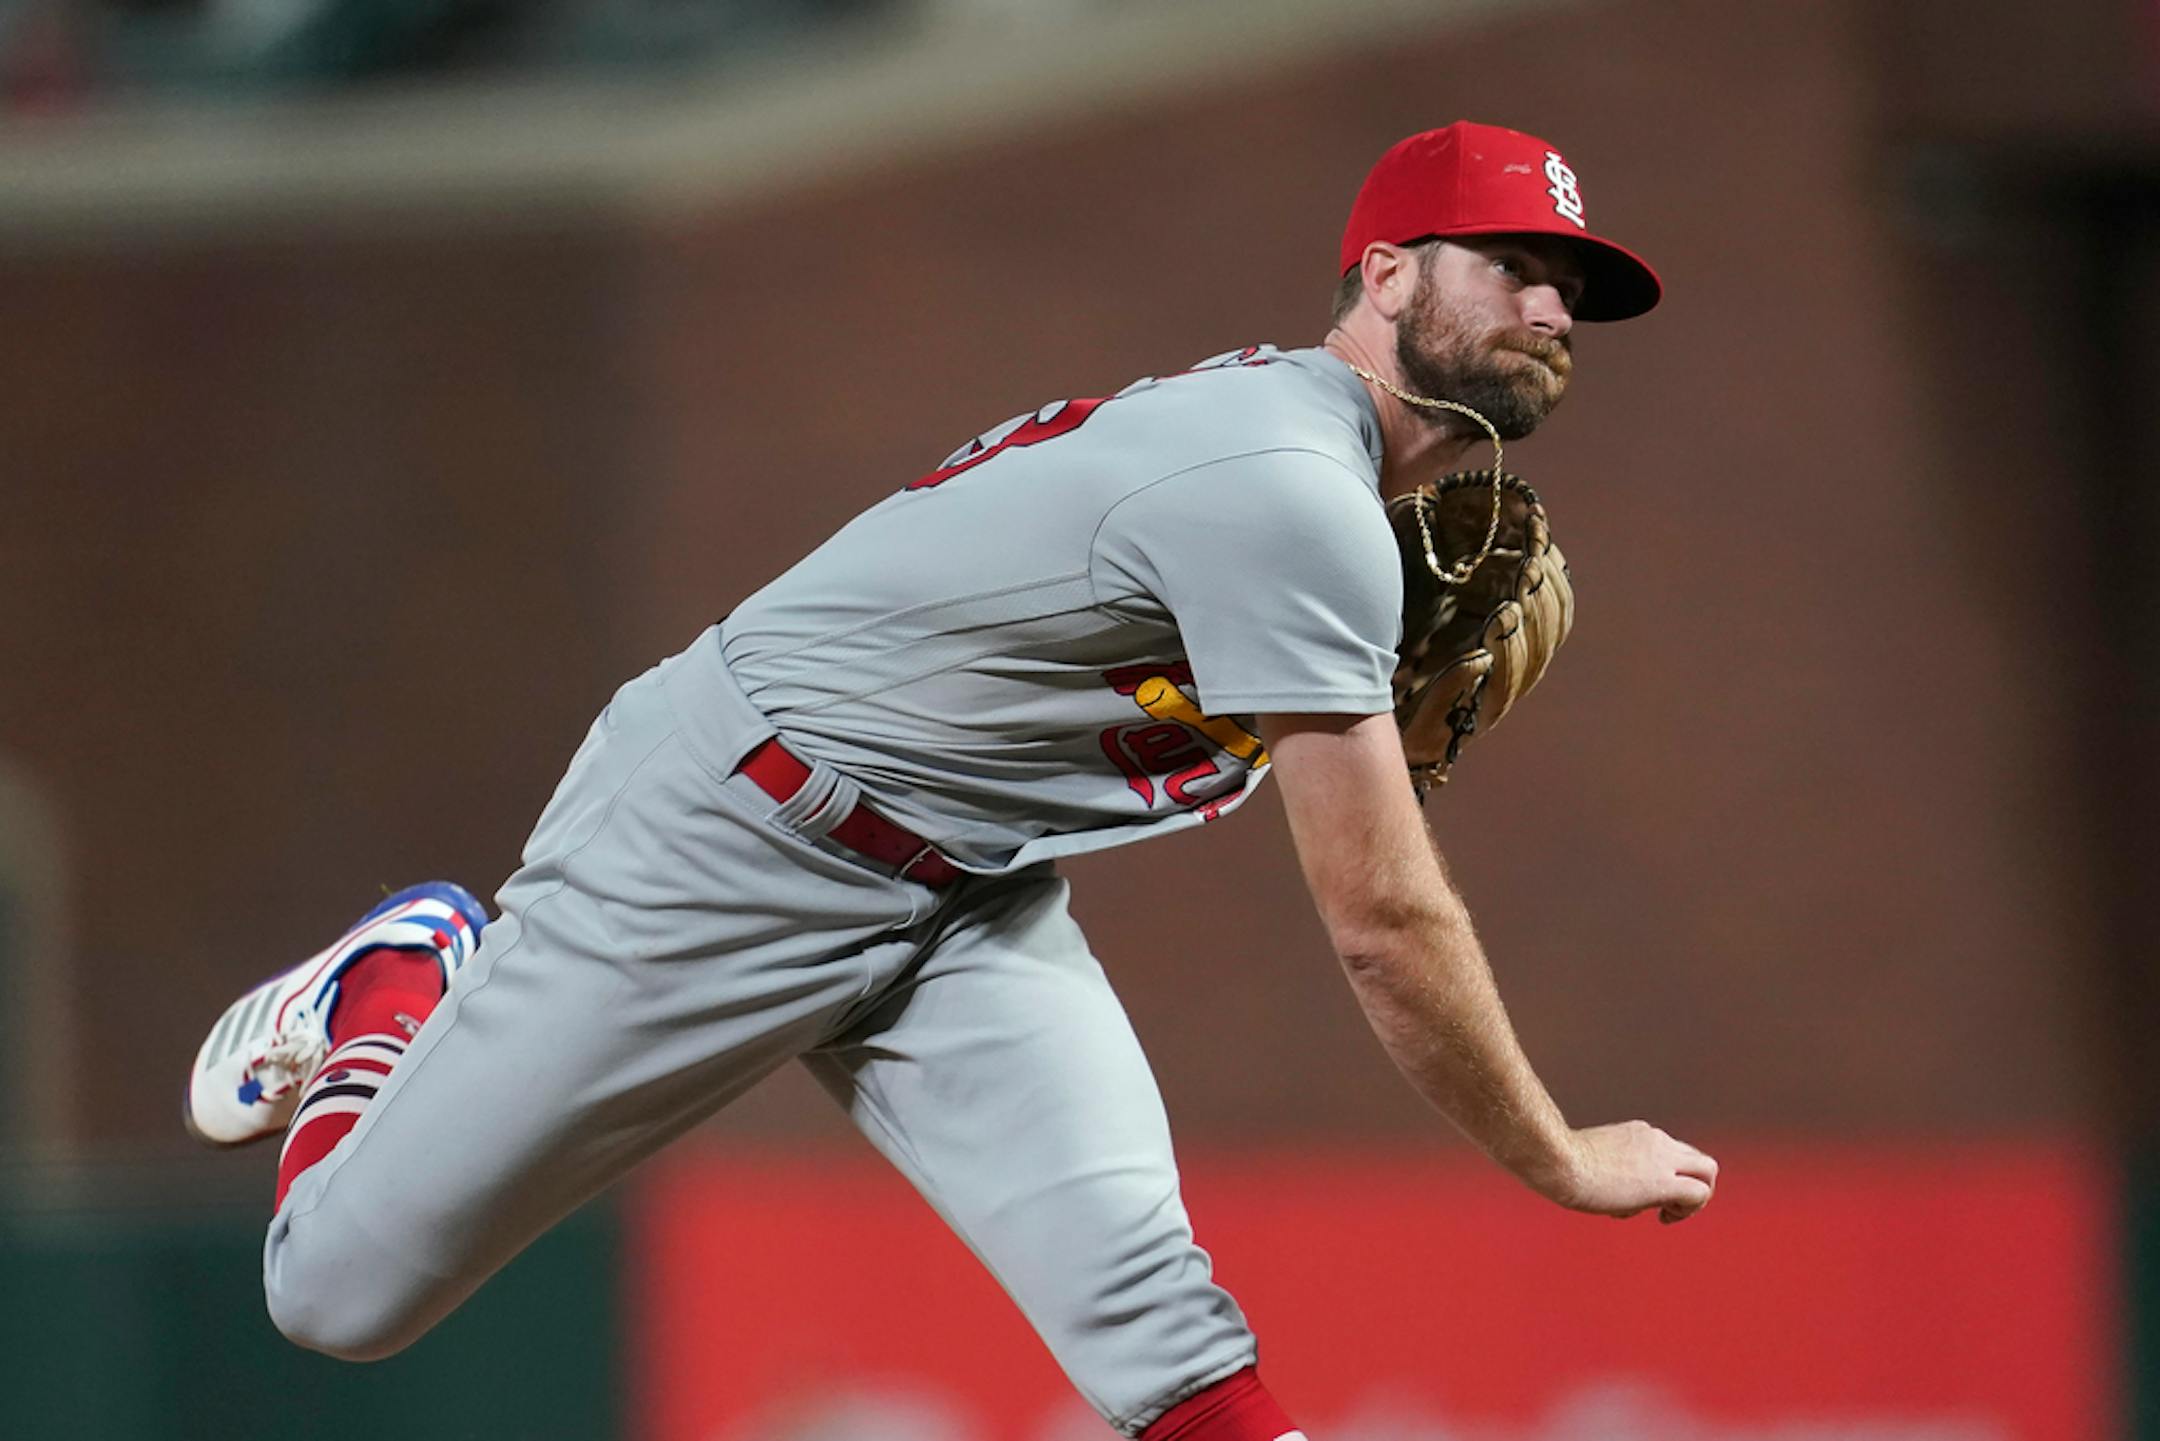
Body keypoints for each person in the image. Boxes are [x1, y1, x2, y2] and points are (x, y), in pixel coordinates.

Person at [184, 120, 1717, 1441]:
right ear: (1384, 273)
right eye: (1508, 259)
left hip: (959, 890)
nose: (1547, 303)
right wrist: (1556, 1152)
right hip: (733, 830)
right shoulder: (1290, 491)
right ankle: (394, 979)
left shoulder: (1306, 480)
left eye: (1569, 286)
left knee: (1155, 1322)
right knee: (335, 1287)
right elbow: (1385, 920)